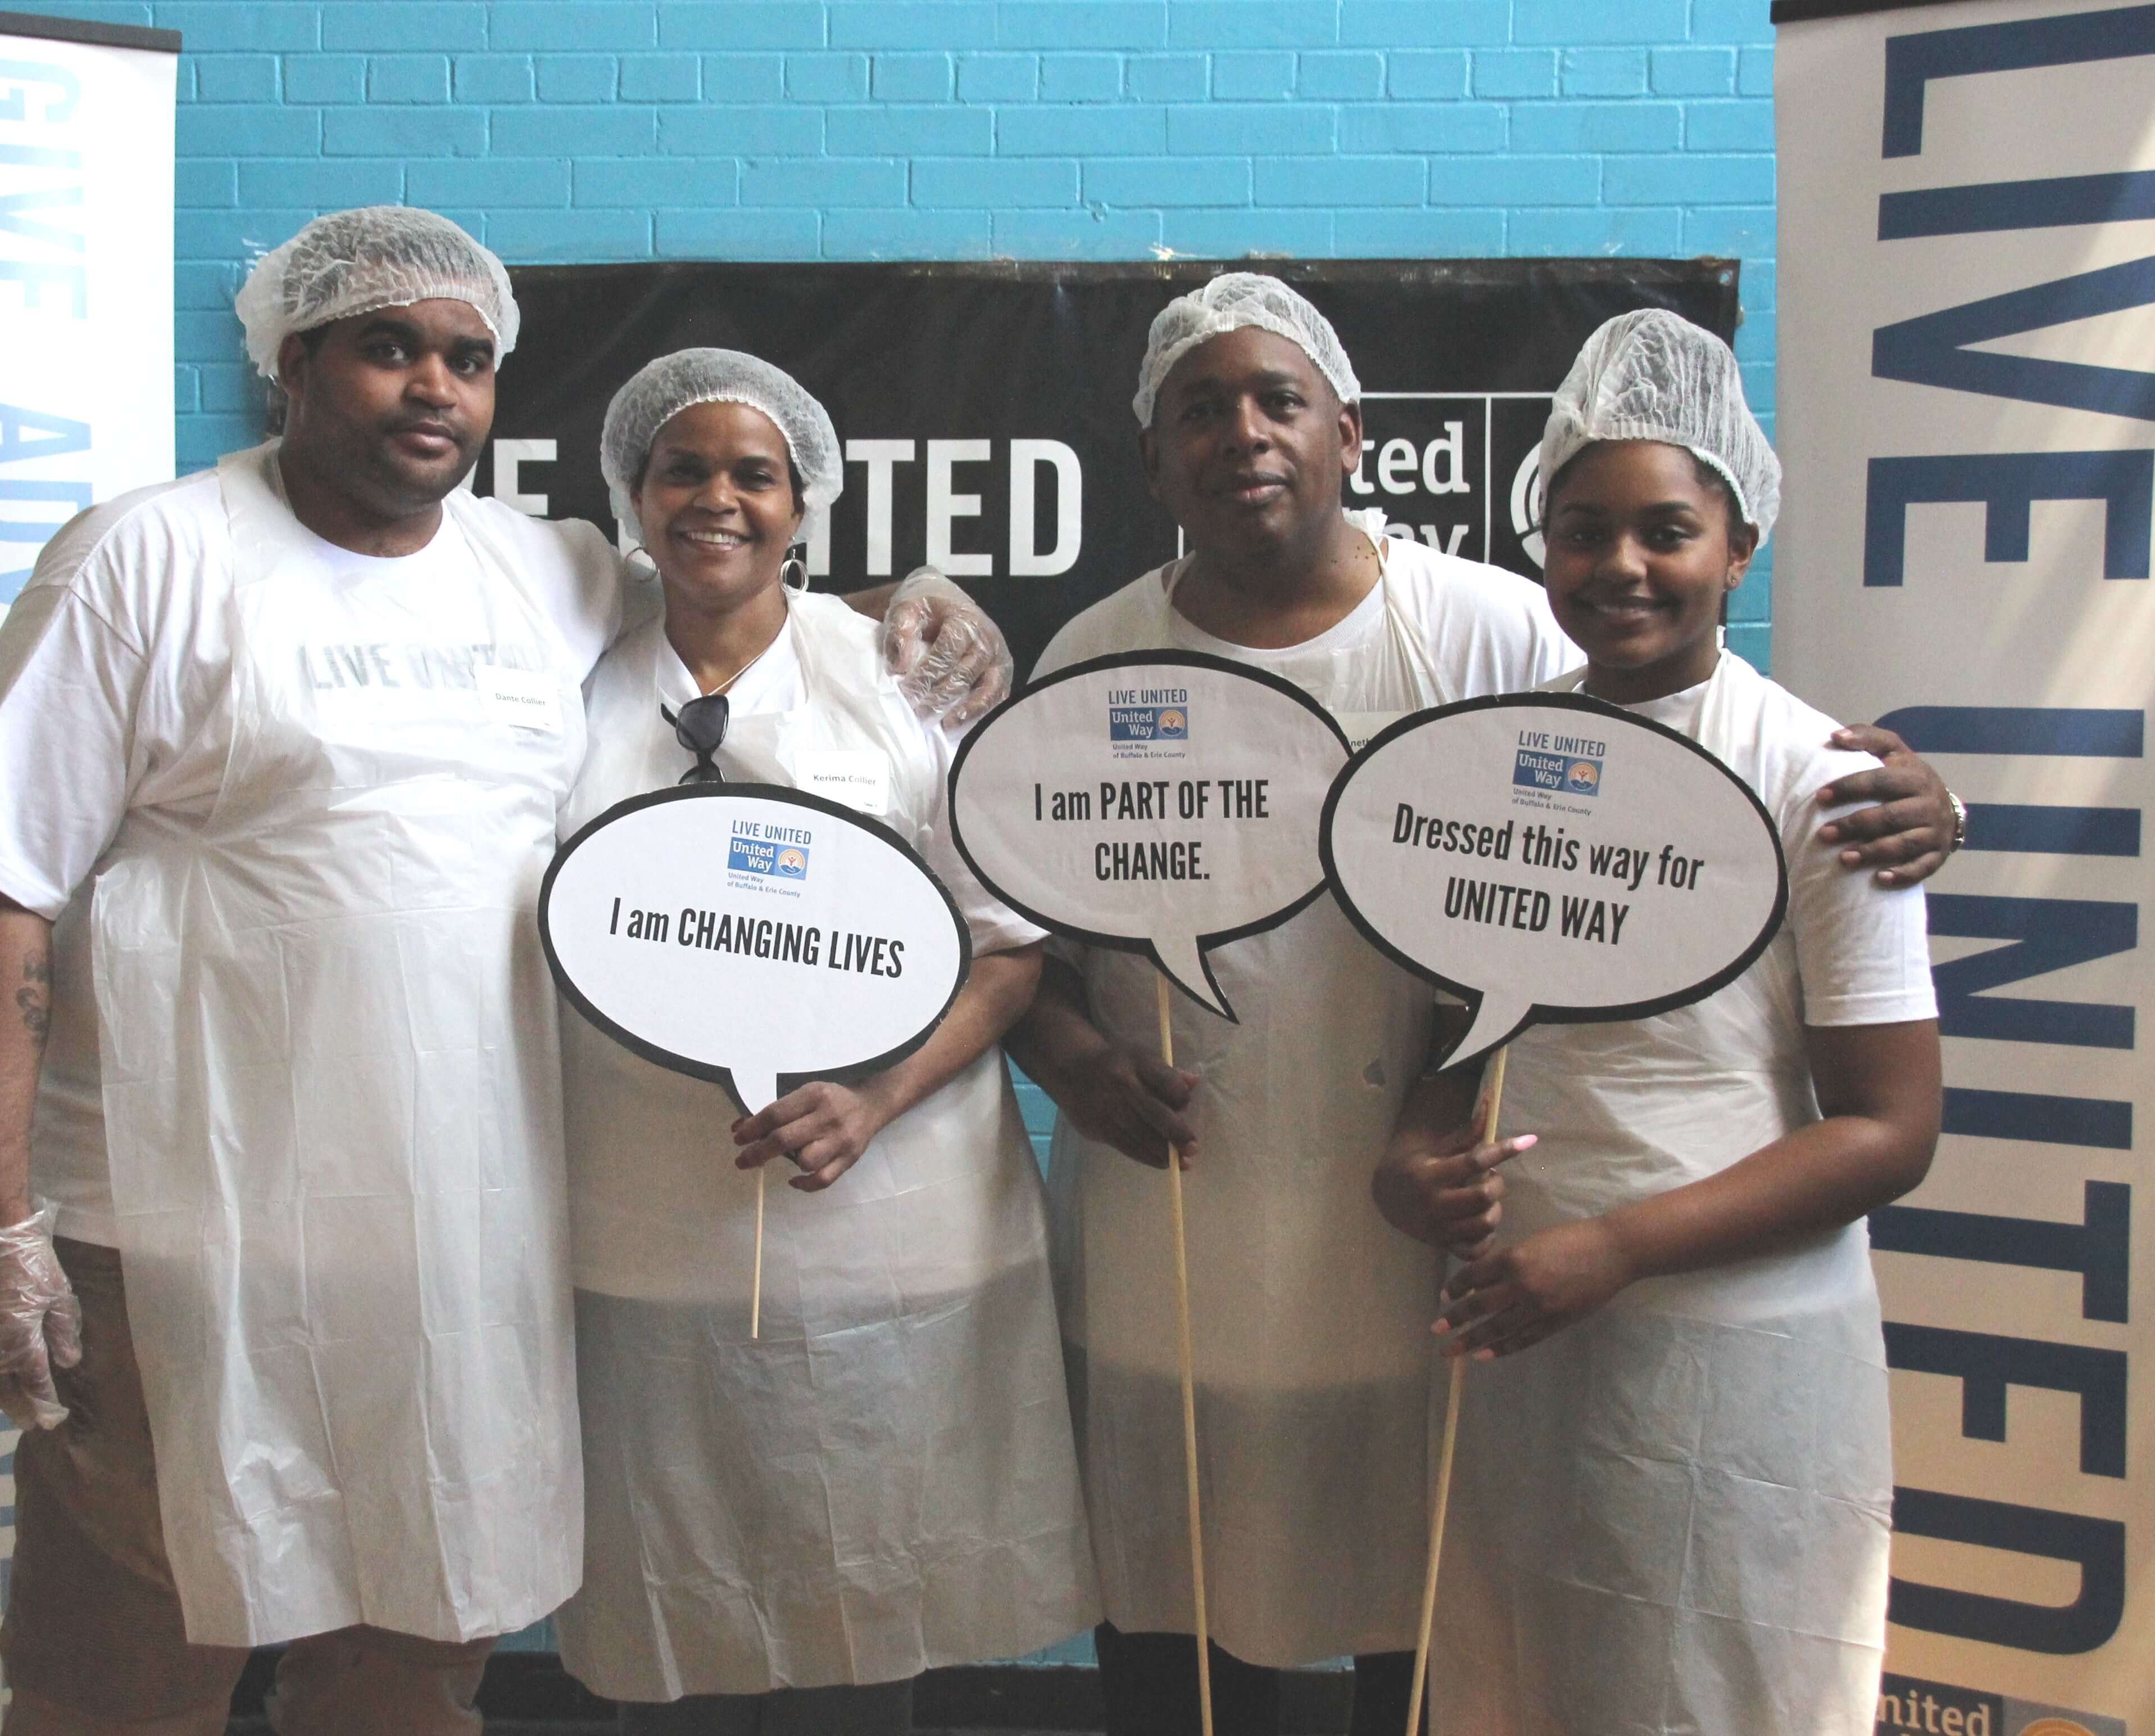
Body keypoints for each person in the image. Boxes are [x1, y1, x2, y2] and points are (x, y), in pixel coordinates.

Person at [0, 208, 1013, 1736]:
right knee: (132, 1665)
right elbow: (1, 895)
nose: (432, 387)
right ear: (295, 365)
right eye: (387, 348)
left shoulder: (546, 573)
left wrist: (914, 595)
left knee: (411, 1650)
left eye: (466, 359)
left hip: (455, 1235)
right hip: (174, 1229)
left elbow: (742, 591)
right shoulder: (149, 558)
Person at [999, 274, 1960, 1736]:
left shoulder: (1500, 637)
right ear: (1151, 455)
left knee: (1470, 1629)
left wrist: (1931, 801)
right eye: (1201, 409)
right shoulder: (1093, 657)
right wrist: (1078, 1060)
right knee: (1216, 1621)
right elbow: (1017, 934)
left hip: (1464, 1293)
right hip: (1244, 1240)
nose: (1244, 435)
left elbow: (1869, 1088)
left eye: (1278, 400)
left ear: (1354, 434)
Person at [1376, 307, 1941, 1735]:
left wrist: (1618, 1247)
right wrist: (1414, 1154)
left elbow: (1889, 1131)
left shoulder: (1826, 785)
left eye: (1666, 531)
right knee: (1522, 1688)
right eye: (1580, 530)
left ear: (1739, 546)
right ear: (1540, 547)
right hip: (1522, 1334)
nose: (1619, 566)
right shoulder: (1497, 766)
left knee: (1719, 1697)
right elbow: (1460, 1035)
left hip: (1733, 1354)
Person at [550, 349, 1100, 1736]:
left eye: (755, 474)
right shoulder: (570, 678)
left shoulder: (903, 674)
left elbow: (1009, 949)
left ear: (805, 502)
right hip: (643, 1235)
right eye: (685, 469)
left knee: (863, 1618)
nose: (718, 499)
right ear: (633, 491)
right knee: (667, 1612)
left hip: (885, 1234)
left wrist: (873, 1098)